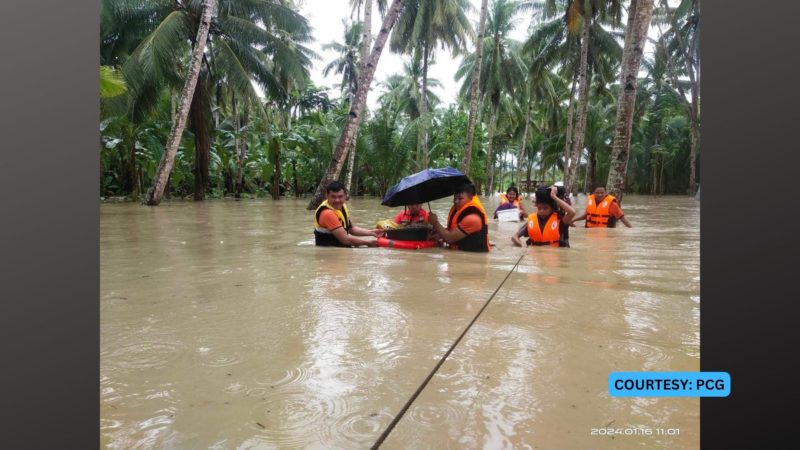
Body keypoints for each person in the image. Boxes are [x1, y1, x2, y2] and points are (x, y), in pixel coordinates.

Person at [313, 181, 383, 247]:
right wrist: (368, 243)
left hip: (338, 248)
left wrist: (371, 232)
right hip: (329, 253)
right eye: (333, 197)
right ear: (327, 196)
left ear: (345, 196)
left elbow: (351, 229)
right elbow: (346, 240)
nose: (337, 200)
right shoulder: (327, 213)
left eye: (340, 196)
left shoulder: (342, 206)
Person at [428, 183, 491, 252]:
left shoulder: (473, 218)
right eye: (455, 198)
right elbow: (453, 230)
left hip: (472, 259)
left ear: (471, 198)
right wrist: (438, 235)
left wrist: (435, 222)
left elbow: (449, 238)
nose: (456, 201)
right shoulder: (459, 209)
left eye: (460, 198)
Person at [512, 186, 576, 247]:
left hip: (553, 255)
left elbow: (572, 212)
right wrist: (520, 245)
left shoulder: (559, 221)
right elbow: (515, 237)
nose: (541, 211)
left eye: (545, 208)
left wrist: (554, 197)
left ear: (552, 208)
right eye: (539, 208)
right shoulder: (532, 221)